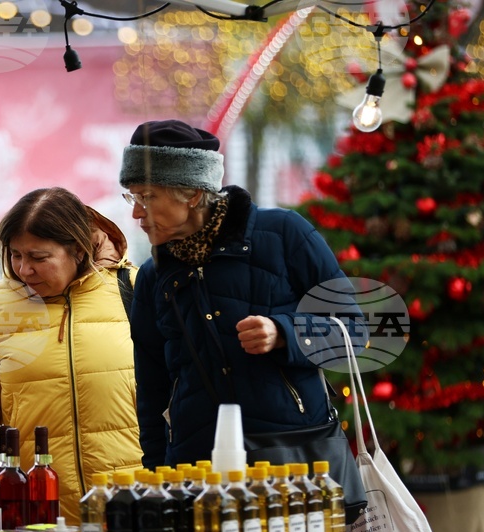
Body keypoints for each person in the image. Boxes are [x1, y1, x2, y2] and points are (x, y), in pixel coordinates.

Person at [121, 120, 360, 469]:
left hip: (296, 464)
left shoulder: (283, 233)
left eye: (147, 196)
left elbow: (354, 330)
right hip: (198, 471)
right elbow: (152, 391)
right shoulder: (151, 278)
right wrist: (159, 476)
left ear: (193, 193)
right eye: (131, 196)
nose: (136, 212)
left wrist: (284, 334)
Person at [0, 187, 142, 523]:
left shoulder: (134, 289)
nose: (24, 270)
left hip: (133, 503)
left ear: (77, 251)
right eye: (15, 255)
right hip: (38, 511)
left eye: (38, 258)